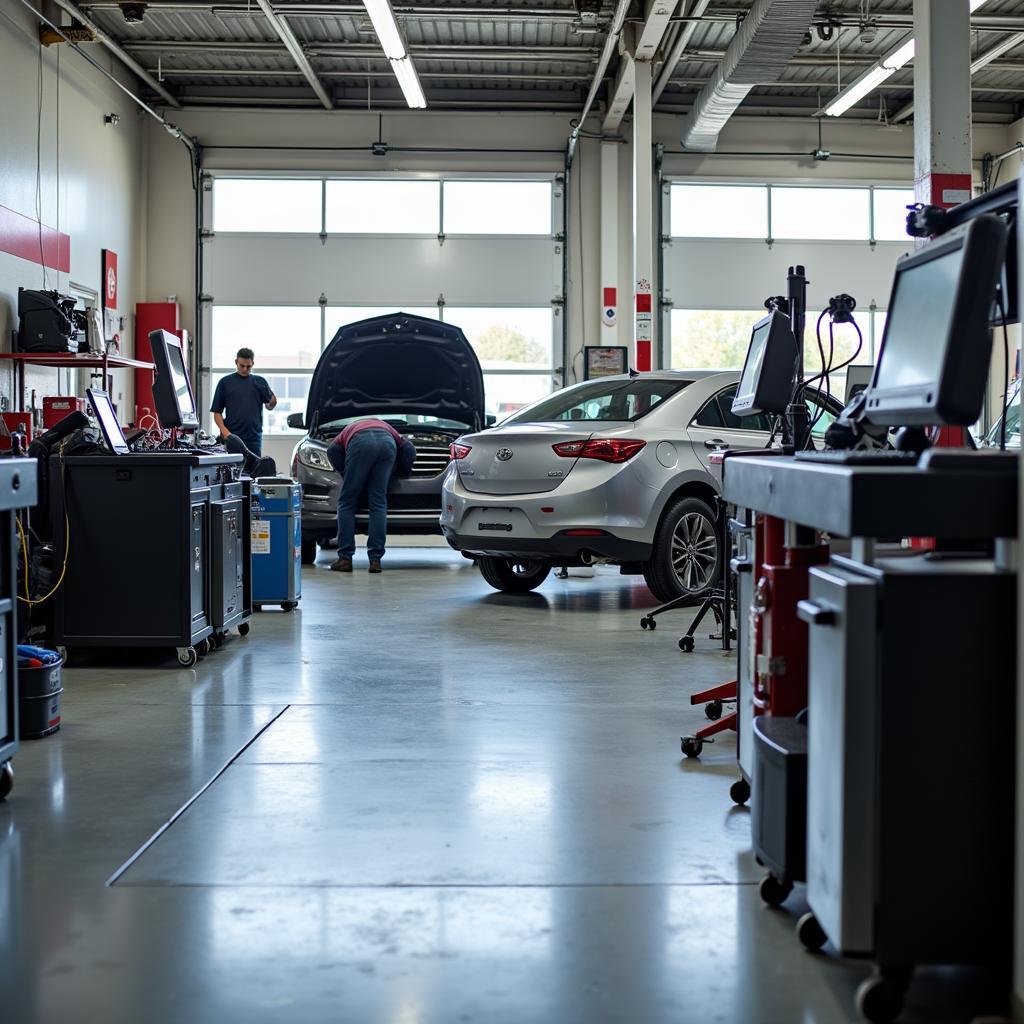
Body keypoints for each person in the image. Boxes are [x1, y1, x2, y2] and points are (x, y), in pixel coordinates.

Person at [325, 419, 416, 574]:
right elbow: (410, 449)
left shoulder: (349, 428)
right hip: (387, 443)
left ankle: (345, 558)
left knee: (347, 502)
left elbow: (332, 451)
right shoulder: (390, 428)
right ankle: (375, 560)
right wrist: (403, 471)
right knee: (378, 502)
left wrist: (346, 473)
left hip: (360, 442)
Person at [210, 347, 277, 456]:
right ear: (236, 362)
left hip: (254, 438)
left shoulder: (259, 382)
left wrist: (272, 397)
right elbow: (217, 412)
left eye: (248, 366)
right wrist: (225, 433)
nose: (245, 369)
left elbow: (269, 406)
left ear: (253, 364)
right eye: (242, 366)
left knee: (254, 470)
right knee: (232, 471)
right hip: (232, 437)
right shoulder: (225, 383)